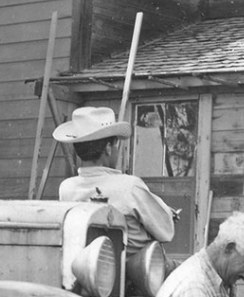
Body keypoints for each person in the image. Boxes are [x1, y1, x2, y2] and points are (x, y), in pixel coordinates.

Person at [54, 106, 174, 256]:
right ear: (108, 148)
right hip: (131, 268)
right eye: (116, 144)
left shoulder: (66, 188)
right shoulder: (130, 186)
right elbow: (166, 231)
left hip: (87, 264)